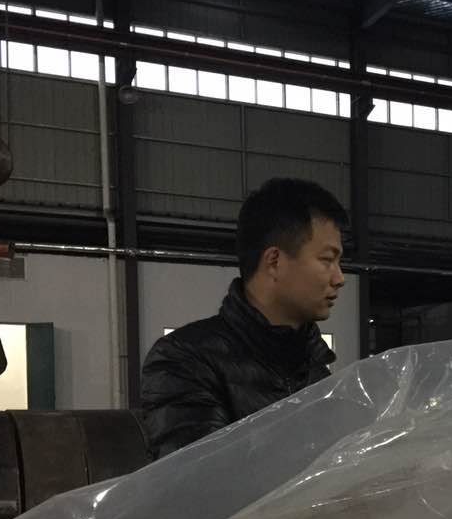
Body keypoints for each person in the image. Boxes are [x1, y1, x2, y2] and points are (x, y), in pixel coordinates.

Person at [141, 178, 347, 458]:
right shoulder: (184, 361)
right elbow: (195, 477)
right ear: (274, 261)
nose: (339, 278)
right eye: (327, 260)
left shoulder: (316, 371)